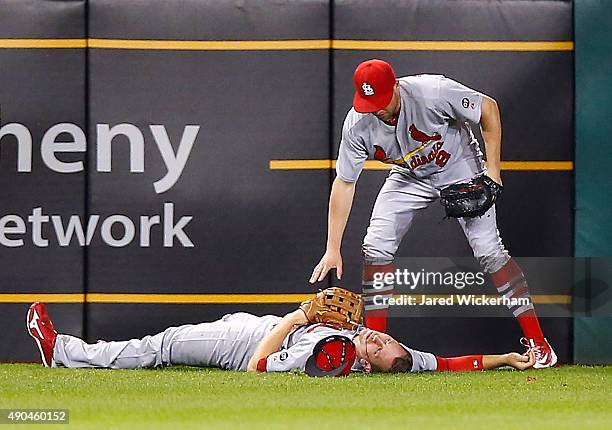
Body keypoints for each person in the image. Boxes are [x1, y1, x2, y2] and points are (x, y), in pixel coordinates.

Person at [309, 59, 556, 368]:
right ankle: (375, 352)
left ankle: (540, 344)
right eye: (368, 102)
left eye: (381, 100)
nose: (376, 109)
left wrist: (492, 172)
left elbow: (488, 109)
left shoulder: (433, 91)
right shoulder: (357, 124)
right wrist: (333, 247)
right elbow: (345, 184)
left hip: (459, 166)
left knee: (490, 252)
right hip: (409, 175)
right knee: (376, 247)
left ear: (396, 85)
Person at [26, 301, 535, 374]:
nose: (378, 343)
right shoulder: (389, 349)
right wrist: (507, 357)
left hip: (248, 344)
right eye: (387, 343)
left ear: (367, 366)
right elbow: (447, 363)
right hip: (253, 322)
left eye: (377, 352)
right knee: (169, 339)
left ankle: (62, 352)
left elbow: (260, 367)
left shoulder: (331, 356)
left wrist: (294, 319)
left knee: (161, 345)